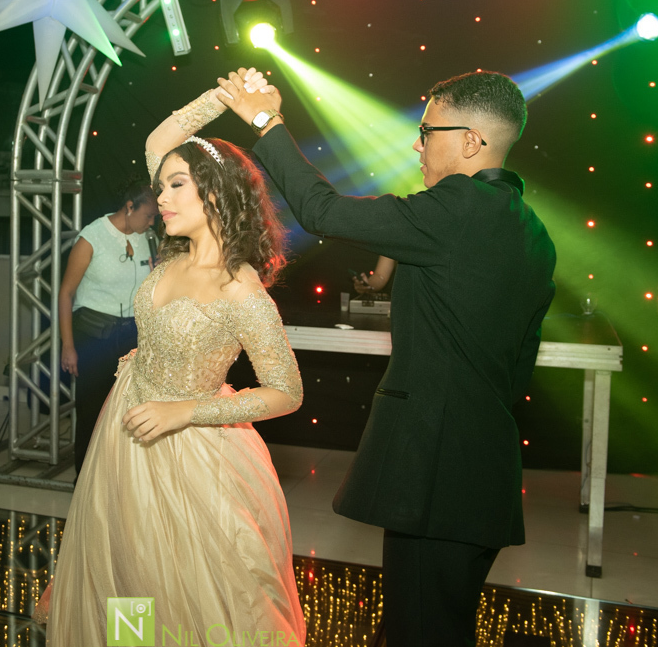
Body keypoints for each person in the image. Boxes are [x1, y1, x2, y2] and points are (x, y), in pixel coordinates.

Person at [222, 67, 556, 647]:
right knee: (439, 622)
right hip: (485, 464)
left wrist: (266, 121)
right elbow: (520, 360)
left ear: (471, 141)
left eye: (427, 132)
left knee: (420, 631)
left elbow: (322, 211)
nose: (417, 145)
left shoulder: (457, 207)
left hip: (435, 469)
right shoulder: (532, 230)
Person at [39, 87, 306, 645]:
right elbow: (159, 141)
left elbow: (286, 391)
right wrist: (221, 96)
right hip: (125, 426)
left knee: (182, 576)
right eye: (160, 186)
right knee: (125, 561)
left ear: (216, 193)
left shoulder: (240, 289)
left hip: (191, 449)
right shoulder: (175, 254)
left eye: (175, 185)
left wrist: (185, 409)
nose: (160, 197)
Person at [58, 179, 158, 476]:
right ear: (129, 207)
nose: (152, 223)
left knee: (129, 413)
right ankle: (84, 484)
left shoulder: (148, 238)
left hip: (132, 339)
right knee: (92, 414)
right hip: (94, 338)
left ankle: (119, 484)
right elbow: (66, 293)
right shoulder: (92, 237)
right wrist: (68, 346)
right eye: (148, 216)